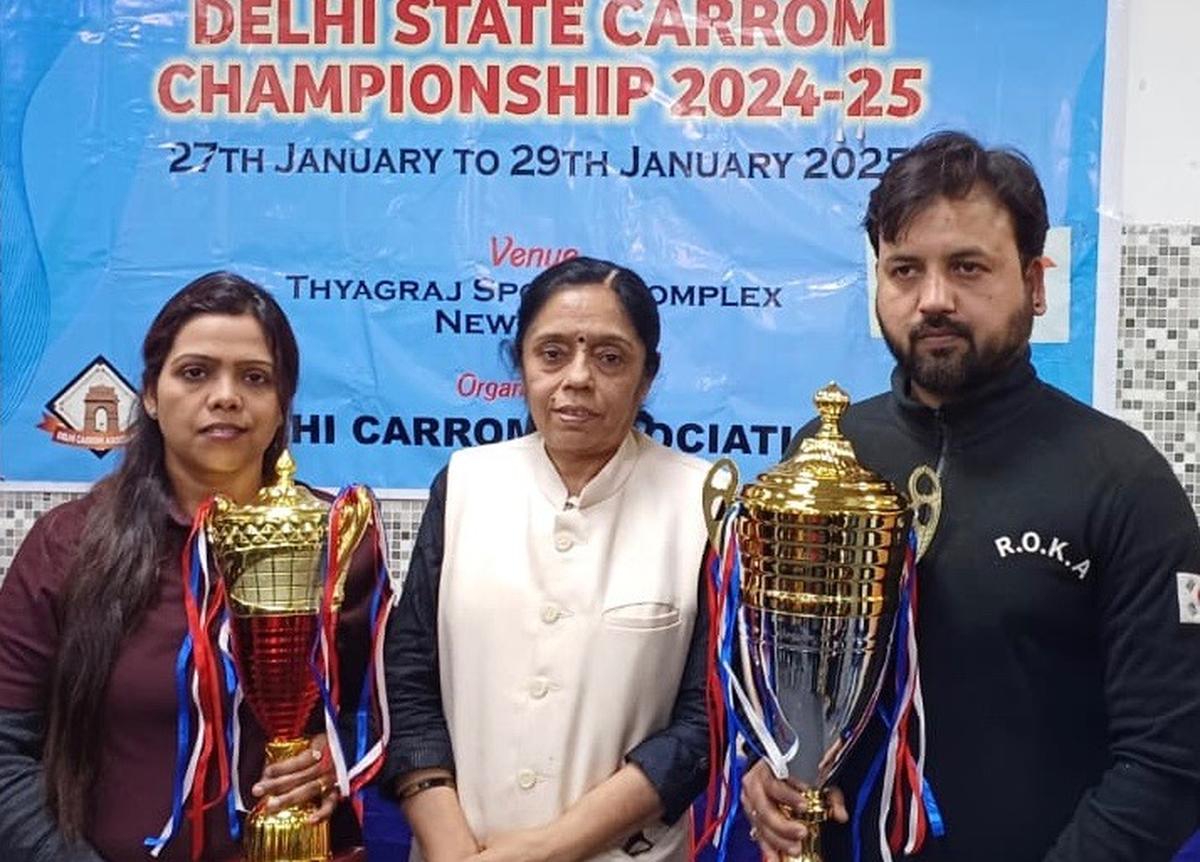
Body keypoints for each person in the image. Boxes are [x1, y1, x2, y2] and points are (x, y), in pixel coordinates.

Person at [742, 130, 1200, 861]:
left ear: (1036, 282)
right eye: (904, 270)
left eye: (968, 268)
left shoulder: (1122, 479)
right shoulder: (827, 458)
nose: (933, 300)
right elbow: (800, 684)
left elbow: (1170, 762)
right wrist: (773, 766)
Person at [0, 272, 375, 861]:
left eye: (255, 378)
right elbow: (6, 752)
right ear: (150, 394)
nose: (226, 396)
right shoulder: (67, 546)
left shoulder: (338, 542)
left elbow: (394, 717)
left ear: (282, 407)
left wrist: (343, 758)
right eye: (195, 372)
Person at [381, 256, 711, 861]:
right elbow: (408, 678)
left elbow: (702, 720)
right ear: (522, 364)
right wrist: (452, 847)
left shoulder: (703, 502)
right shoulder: (466, 483)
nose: (578, 378)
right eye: (552, 353)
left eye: (610, 358)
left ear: (647, 377)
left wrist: (549, 849)